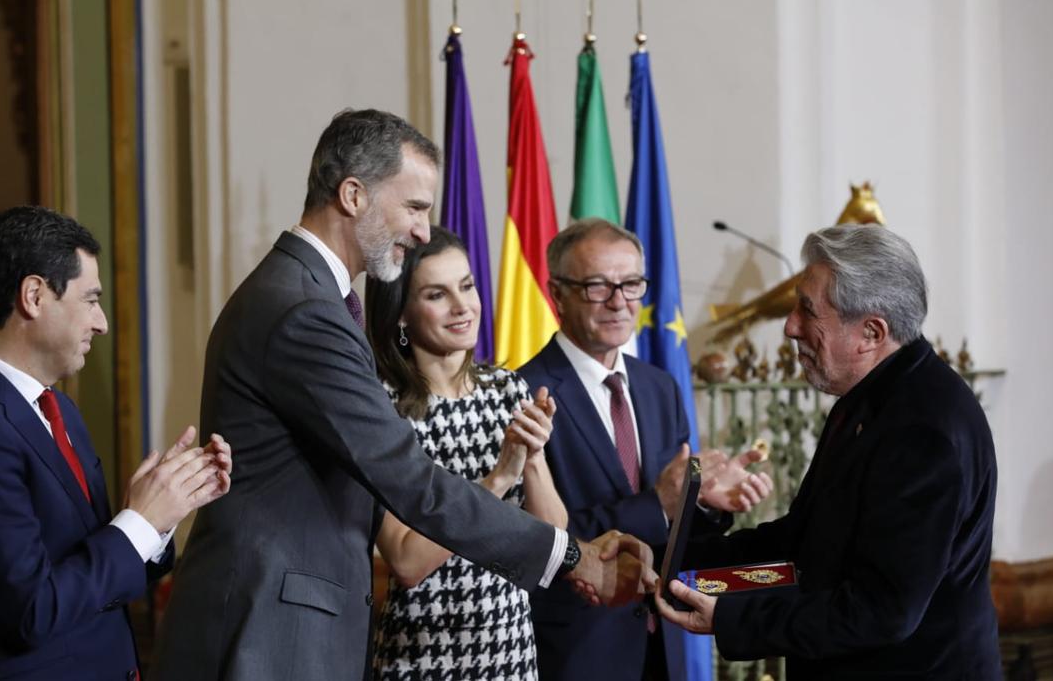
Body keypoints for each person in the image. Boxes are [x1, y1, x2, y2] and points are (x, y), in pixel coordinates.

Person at [155, 109, 655, 680]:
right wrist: (572, 556)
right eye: (415, 207)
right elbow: (410, 479)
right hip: (268, 630)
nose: (422, 231)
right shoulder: (303, 310)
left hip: (286, 622)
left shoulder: (307, 295)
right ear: (353, 196)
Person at [657, 224, 1001, 679]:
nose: (790, 326)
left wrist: (731, 619)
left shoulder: (922, 430)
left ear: (871, 332)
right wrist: (673, 566)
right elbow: (803, 540)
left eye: (808, 310)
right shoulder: (869, 399)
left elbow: (882, 610)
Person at [0, 205, 233, 680]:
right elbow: (32, 612)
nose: (102, 322)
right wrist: (139, 522)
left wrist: (160, 512)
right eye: (91, 300)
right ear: (34, 296)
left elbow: (96, 577)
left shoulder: (59, 409)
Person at [519, 218, 774, 681]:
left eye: (631, 284)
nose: (619, 301)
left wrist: (705, 503)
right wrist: (657, 504)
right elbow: (528, 537)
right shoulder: (523, 393)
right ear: (558, 294)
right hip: (576, 651)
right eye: (598, 286)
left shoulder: (660, 387)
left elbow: (675, 531)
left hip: (664, 646)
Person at [365, 225, 567, 679]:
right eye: (437, 295)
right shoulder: (381, 408)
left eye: (467, 286)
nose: (462, 307)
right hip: (422, 653)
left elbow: (550, 536)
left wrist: (533, 458)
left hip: (509, 649)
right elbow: (407, 562)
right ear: (402, 314)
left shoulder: (508, 390)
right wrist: (498, 479)